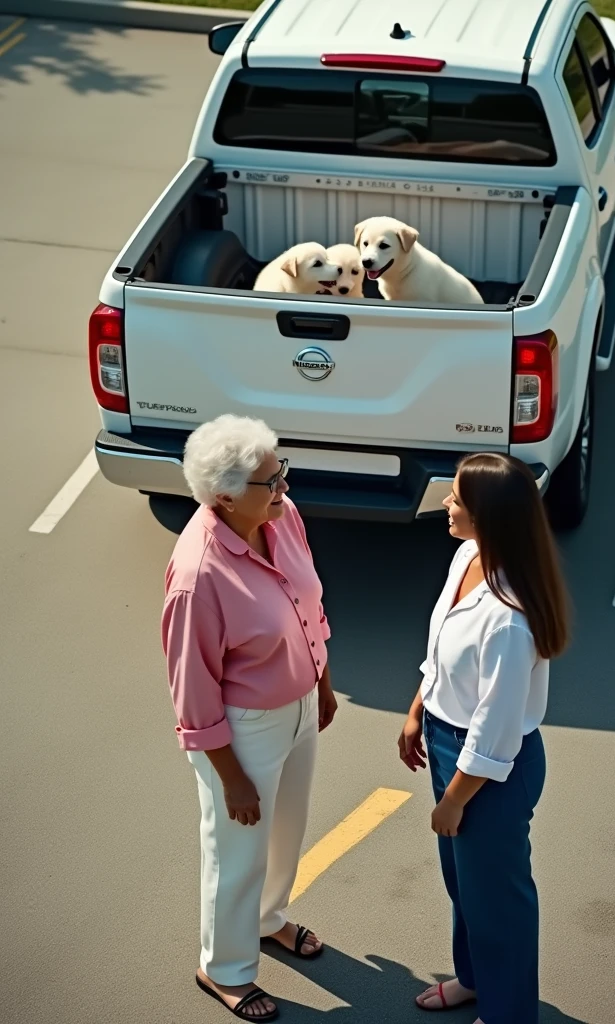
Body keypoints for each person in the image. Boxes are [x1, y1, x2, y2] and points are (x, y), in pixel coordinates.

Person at [162, 414, 338, 1021]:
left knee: (286, 830)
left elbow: (309, 601)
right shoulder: (197, 576)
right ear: (224, 498)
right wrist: (231, 775)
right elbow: (193, 692)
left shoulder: (280, 518)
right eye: (271, 480)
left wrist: (322, 678)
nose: (284, 486)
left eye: (280, 470)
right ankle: (225, 969)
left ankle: (267, 921)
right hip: (243, 730)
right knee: (235, 851)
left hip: (297, 707)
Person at [399, 453, 569, 1024]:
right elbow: (442, 639)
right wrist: (419, 707)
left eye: (456, 500)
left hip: (489, 770)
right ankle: (475, 980)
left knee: (499, 902)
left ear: (488, 517)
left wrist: (452, 800)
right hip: (450, 744)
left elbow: (496, 730)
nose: (446, 504)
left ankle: (508, 1014)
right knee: (464, 882)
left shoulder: (509, 618)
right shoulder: (469, 554)